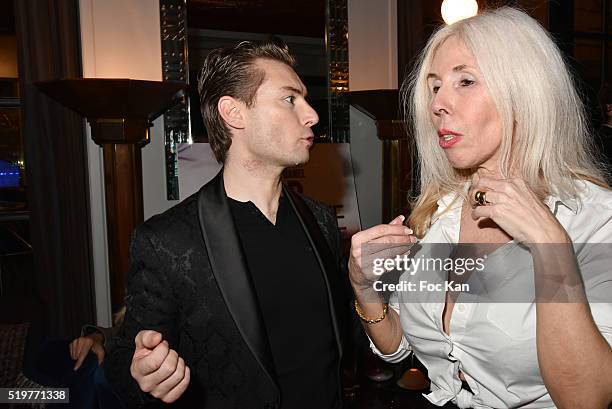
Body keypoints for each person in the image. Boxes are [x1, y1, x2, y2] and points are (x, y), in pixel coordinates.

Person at [349, 7, 612, 409]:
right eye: (435, 87)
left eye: (465, 81)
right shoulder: (441, 210)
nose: (437, 104)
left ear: (526, 91)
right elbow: (401, 347)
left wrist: (549, 246)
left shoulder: (595, 220)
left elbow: (585, 399)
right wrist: (366, 289)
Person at [105, 39, 351, 409]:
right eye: (289, 99)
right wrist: (144, 374)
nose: (312, 115)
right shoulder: (168, 240)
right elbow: (126, 361)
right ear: (234, 113)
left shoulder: (319, 219)